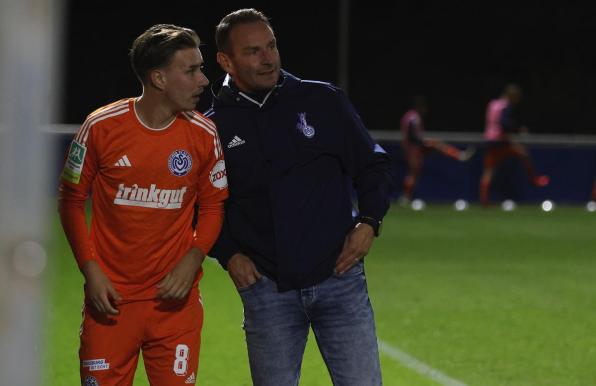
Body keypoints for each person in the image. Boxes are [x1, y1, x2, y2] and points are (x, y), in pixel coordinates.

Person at [204, 8, 393, 386]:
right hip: (266, 289)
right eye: (253, 51)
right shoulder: (212, 126)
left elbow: (372, 166)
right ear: (226, 60)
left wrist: (369, 222)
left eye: (271, 46)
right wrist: (229, 255)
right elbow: (203, 205)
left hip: (339, 279)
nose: (268, 57)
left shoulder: (323, 100)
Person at [58, 24, 228, 386]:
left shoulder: (204, 133)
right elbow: (71, 201)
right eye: (192, 70)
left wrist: (192, 259)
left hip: (174, 307)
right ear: (159, 79)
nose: (203, 81)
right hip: (111, 304)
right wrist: (91, 271)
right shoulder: (101, 126)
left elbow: (213, 207)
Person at [480, 84, 549, 207]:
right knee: (523, 153)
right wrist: (518, 130)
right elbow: (504, 123)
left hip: (489, 140)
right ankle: (534, 179)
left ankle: (484, 201)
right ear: (512, 96)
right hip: (500, 141)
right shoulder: (505, 106)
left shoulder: (493, 104)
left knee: (489, 171)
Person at [400, 95, 475, 202]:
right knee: (414, 171)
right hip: (413, 148)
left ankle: (406, 197)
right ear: (420, 107)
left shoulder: (408, 116)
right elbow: (412, 136)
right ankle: (405, 197)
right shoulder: (414, 117)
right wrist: (423, 141)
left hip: (411, 147)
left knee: (414, 172)